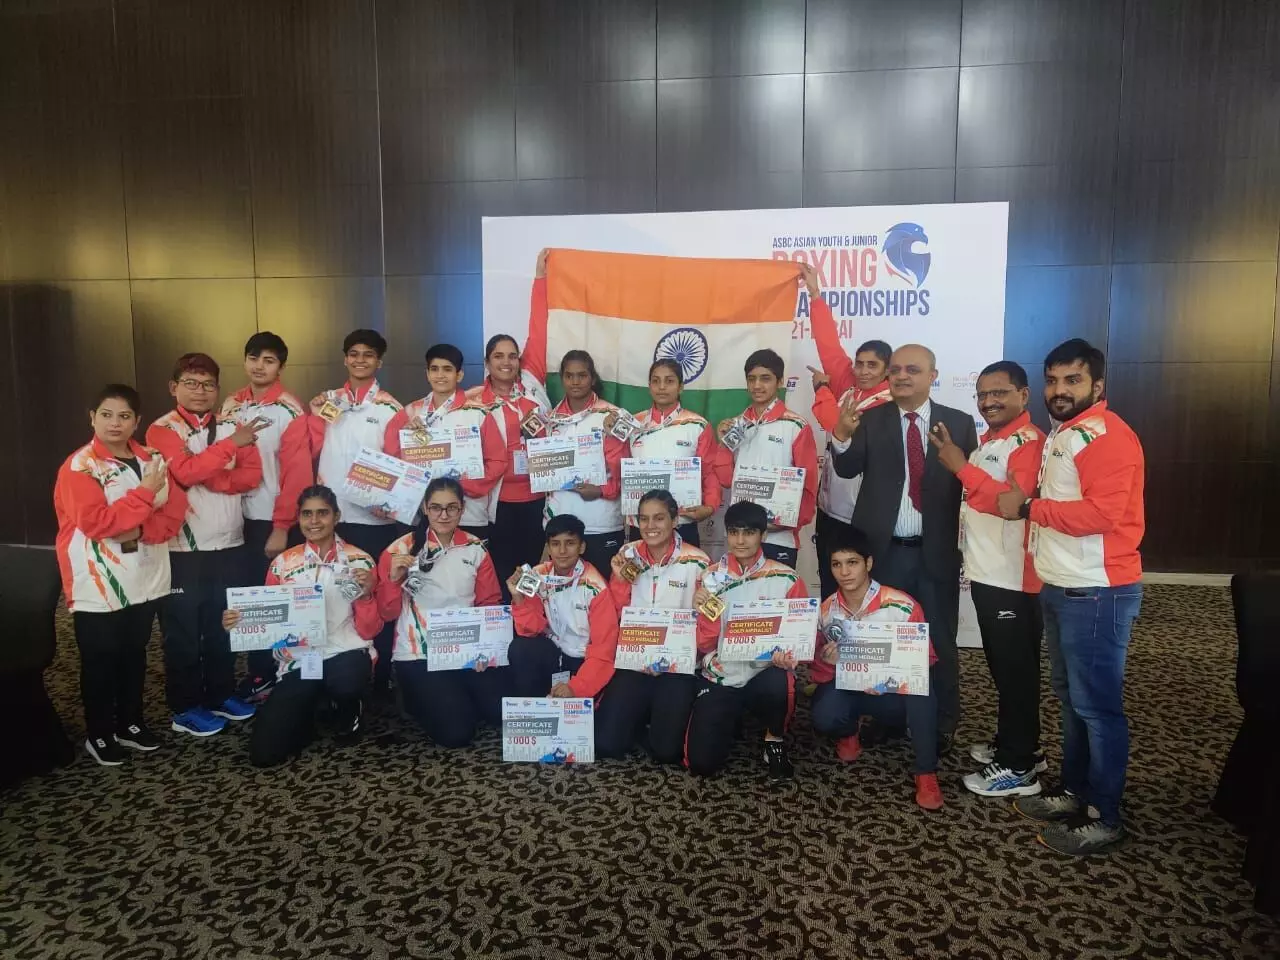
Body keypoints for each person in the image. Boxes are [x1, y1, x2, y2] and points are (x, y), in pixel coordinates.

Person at [997, 339, 1145, 856]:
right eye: (1054, 380)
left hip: (1098, 592)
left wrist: (1029, 508)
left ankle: (1105, 814)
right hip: (1062, 587)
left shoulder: (1107, 436)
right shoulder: (1067, 433)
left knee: (1098, 709)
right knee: (1072, 700)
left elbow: (1102, 515)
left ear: (1097, 386)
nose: (1059, 390)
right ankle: (1073, 791)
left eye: (1073, 381)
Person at [828, 343, 978, 752]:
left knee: (941, 640)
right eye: (895, 369)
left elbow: (972, 486)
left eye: (913, 369)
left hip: (936, 553)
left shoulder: (960, 423)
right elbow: (846, 467)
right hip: (883, 552)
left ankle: (944, 722)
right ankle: (886, 717)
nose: (901, 376)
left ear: (933, 375)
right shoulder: (871, 420)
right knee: (880, 638)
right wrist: (841, 433)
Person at [929, 360, 1048, 798]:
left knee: (1015, 671)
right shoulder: (994, 441)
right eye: (982, 394)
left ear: (1024, 395)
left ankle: (1020, 769)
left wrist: (960, 467)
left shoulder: (1028, 442)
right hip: (989, 572)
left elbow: (1014, 504)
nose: (989, 401)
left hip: (1011, 578)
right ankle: (1022, 746)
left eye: (999, 393)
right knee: (1005, 667)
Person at [53, 384, 189, 765]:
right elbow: (99, 523)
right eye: (107, 415)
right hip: (98, 581)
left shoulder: (154, 459)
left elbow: (175, 512)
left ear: (137, 421)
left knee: (134, 654)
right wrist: (144, 496)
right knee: (100, 660)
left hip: (145, 577)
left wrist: (142, 528)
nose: (115, 423)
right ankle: (99, 733)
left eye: (124, 416)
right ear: (92, 417)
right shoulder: (79, 467)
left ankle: (130, 723)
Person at [146, 354, 264, 737]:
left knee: (224, 626)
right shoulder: (162, 430)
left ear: (217, 388)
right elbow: (181, 471)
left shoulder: (234, 425)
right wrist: (227, 449)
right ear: (173, 387)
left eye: (208, 384)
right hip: (183, 548)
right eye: (191, 383)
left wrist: (211, 478)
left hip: (230, 541)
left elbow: (250, 476)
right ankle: (184, 707)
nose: (200, 392)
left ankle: (221, 694)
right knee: (182, 633)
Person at [222, 486, 382, 767]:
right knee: (264, 754)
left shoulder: (360, 561)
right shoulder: (283, 563)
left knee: (345, 682)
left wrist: (368, 594)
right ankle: (312, 704)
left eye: (323, 513)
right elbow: (268, 620)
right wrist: (240, 622)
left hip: (344, 652)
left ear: (336, 516)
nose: (315, 521)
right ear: (298, 518)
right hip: (301, 659)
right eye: (307, 514)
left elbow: (370, 630)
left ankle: (348, 706)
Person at [808, 526, 944, 810]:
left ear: (868, 563)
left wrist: (888, 676)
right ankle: (849, 731)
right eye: (837, 564)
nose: (844, 572)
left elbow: (925, 660)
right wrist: (827, 660)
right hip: (850, 688)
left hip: (892, 696)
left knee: (923, 690)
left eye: (852, 562)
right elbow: (819, 673)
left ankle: (925, 771)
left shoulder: (902, 606)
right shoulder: (826, 611)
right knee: (824, 714)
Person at [375, 478, 506, 748]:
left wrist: (487, 650)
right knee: (457, 733)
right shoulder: (398, 550)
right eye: (436, 508)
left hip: (466, 651)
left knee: (499, 713)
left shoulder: (475, 548)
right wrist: (392, 580)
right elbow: (386, 615)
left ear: (462, 509)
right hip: (419, 654)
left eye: (451, 508)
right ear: (424, 508)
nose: (443, 515)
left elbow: (488, 604)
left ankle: (452, 695)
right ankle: (414, 697)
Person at [686, 501, 809, 783]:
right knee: (702, 764)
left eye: (749, 532)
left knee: (781, 681)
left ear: (763, 535)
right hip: (722, 674)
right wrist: (705, 611)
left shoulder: (787, 579)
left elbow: (800, 637)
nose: (740, 541)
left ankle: (773, 739)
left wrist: (789, 655)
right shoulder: (710, 578)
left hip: (764, 671)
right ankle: (729, 721)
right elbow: (704, 644)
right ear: (727, 534)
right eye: (734, 532)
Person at [221, 331, 313, 702]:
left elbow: (297, 475)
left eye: (269, 360)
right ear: (244, 361)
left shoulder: (289, 410)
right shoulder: (229, 404)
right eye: (254, 358)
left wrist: (280, 528)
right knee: (241, 601)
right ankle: (254, 670)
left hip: (267, 521)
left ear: (281, 367)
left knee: (268, 601)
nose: (260, 366)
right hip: (230, 519)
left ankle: (269, 672)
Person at [309, 329, 403, 689]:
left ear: (379, 361)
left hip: (372, 521)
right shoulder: (324, 402)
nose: (360, 360)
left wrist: (389, 505)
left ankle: (377, 675)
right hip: (328, 521)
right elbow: (311, 450)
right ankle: (328, 670)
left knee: (373, 596)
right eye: (354, 353)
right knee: (330, 593)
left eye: (368, 355)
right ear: (345, 358)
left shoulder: (390, 408)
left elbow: (399, 463)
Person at [798, 264, 892, 601]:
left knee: (861, 587)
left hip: (862, 514)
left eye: (873, 366)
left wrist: (823, 390)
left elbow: (835, 426)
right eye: (860, 363)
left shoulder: (888, 404)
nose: (863, 371)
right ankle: (827, 645)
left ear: (887, 371)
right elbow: (829, 345)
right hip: (830, 509)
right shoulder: (850, 386)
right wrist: (816, 295)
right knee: (829, 583)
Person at [594, 490, 710, 763]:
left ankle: (656, 718)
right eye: (644, 519)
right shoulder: (627, 554)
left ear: (674, 520)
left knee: (666, 751)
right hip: (635, 661)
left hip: (677, 666)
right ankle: (640, 715)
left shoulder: (699, 561)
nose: (650, 526)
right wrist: (621, 581)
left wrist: (692, 654)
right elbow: (616, 613)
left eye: (659, 518)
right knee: (606, 744)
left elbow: (707, 623)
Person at [384, 343, 508, 539]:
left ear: (459, 375)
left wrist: (460, 486)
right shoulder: (410, 412)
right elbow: (391, 460)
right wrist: (405, 438)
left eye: (447, 369)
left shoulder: (479, 413)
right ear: (427, 374)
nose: (440, 375)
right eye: (434, 369)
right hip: (421, 512)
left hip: (469, 514)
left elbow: (498, 462)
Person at [713, 349, 819, 570]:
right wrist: (723, 445)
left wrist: (789, 521)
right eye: (751, 379)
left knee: (774, 602)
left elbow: (808, 485)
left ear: (780, 381)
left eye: (765, 378)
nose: (757, 386)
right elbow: (725, 479)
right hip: (741, 537)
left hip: (779, 537)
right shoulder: (736, 425)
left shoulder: (796, 426)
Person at [465, 330, 552, 597]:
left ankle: (527, 627)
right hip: (496, 503)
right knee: (500, 573)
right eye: (498, 356)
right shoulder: (472, 402)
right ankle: (504, 631)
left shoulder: (536, 400)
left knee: (530, 572)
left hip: (535, 500)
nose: (506, 362)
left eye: (512, 356)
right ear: (487, 363)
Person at [507, 513, 618, 700]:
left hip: (584, 661)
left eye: (570, 543)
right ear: (548, 548)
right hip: (553, 652)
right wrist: (519, 598)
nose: (563, 550)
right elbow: (530, 630)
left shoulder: (596, 587)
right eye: (556, 544)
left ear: (582, 546)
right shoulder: (537, 574)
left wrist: (577, 688)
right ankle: (533, 709)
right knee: (521, 648)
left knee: (600, 724)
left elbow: (604, 649)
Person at [544, 349, 628, 577]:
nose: (575, 382)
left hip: (601, 523)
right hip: (561, 524)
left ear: (592, 378)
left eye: (582, 375)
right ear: (562, 378)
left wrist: (601, 491)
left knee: (604, 592)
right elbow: (544, 472)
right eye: (569, 376)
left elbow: (623, 471)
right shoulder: (550, 420)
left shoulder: (612, 416)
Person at [621, 359, 721, 547]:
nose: (662, 387)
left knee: (686, 576)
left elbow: (710, 471)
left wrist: (709, 507)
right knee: (640, 577)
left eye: (669, 381)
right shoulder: (632, 424)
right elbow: (620, 468)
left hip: (682, 522)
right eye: (656, 381)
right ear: (649, 386)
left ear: (681, 387)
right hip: (642, 524)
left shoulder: (697, 425)